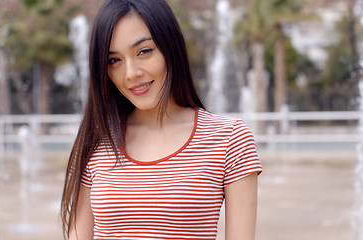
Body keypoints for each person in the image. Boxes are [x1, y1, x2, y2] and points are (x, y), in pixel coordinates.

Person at [61, 0, 262, 239]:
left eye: (144, 51)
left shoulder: (229, 138)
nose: (131, 73)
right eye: (114, 60)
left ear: (170, 47)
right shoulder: (97, 141)